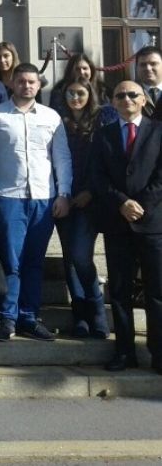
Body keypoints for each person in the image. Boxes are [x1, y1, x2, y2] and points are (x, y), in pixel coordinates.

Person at [0, 63, 72, 341]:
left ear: (39, 84)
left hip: (43, 199)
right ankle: (7, 318)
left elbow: (62, 157)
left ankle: (29, 317)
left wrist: (64, 193)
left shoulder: (51, 117)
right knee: (11, 262)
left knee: (34, 262)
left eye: (32, 81)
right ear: (12, 83)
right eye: (21, 81)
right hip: (8, 197)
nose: (27, 86)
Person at [92, 80, 162, 374]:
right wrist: (121, 203)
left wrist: (140, 204)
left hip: (152, 223)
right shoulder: (103, 135)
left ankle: (158, 353)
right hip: (117, 223)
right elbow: (97, 176)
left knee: (157, 291)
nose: (127, 99)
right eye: (120, 95)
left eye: (133, 94)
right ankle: (124, 352)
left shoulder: (158, 131)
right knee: (120, 292)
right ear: (113, 102)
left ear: (144, 100)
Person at [56, 77, 112, 338]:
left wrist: (90, 191)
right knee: (70, 259)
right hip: (64, 197)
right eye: (70, 93)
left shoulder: (101, 121)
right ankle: (80, 315)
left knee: (81, 256)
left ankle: (96, 308)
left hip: (90, 199)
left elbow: (105, 161)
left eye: (80, 93)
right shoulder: (58, 122)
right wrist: (62, 193)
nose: (75, 98)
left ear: (89, 94)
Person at [135, 45, 162, 120]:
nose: (148, 68)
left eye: (153, 64)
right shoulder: (127, 94)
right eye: (143, 65)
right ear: (136, 68)